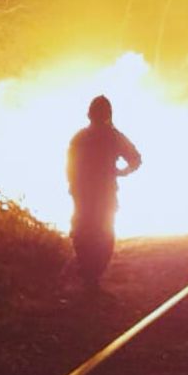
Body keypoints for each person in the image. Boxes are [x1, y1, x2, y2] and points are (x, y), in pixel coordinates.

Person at [66, 95, 142, 291]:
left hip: (84, 194)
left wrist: (73, 187)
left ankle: (88, 274)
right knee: (103, 234)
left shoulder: (80, 137)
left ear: (89, 114)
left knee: (84, 232)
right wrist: (121, 172)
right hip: (103, 193)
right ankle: (93, 275)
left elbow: (70, 167)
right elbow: (135, 159)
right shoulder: (113, 136)